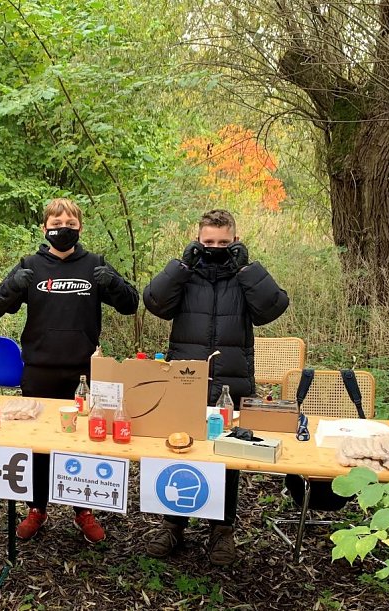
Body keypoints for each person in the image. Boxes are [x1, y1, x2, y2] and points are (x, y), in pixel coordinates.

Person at [0, 197, 139, 543]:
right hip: (39, 369)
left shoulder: (95, 265)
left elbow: (131, 304)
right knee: (38, 443)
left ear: (79, 227)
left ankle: (82, 508)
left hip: (83, 373)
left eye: (70, 224)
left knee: (81, 442)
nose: (63, 230)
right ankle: (37, 507)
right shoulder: (30, 266)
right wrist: (14, 285)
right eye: (56, 224)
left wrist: (111, 282)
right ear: (45, 228)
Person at [143, 208, 289, 565]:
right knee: (177, 449)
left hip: (232, 380)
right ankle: (173, 525)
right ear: (198, 241)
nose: (216, 247)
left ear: (235, 242)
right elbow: (154, 302)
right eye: (208, 242)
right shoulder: (186, 275)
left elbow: (274, 307)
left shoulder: (243, 277)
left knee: (229, 456)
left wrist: (247, 269)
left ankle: (222, 530)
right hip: (184, 379)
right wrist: (181, 265)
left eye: (223, 242)